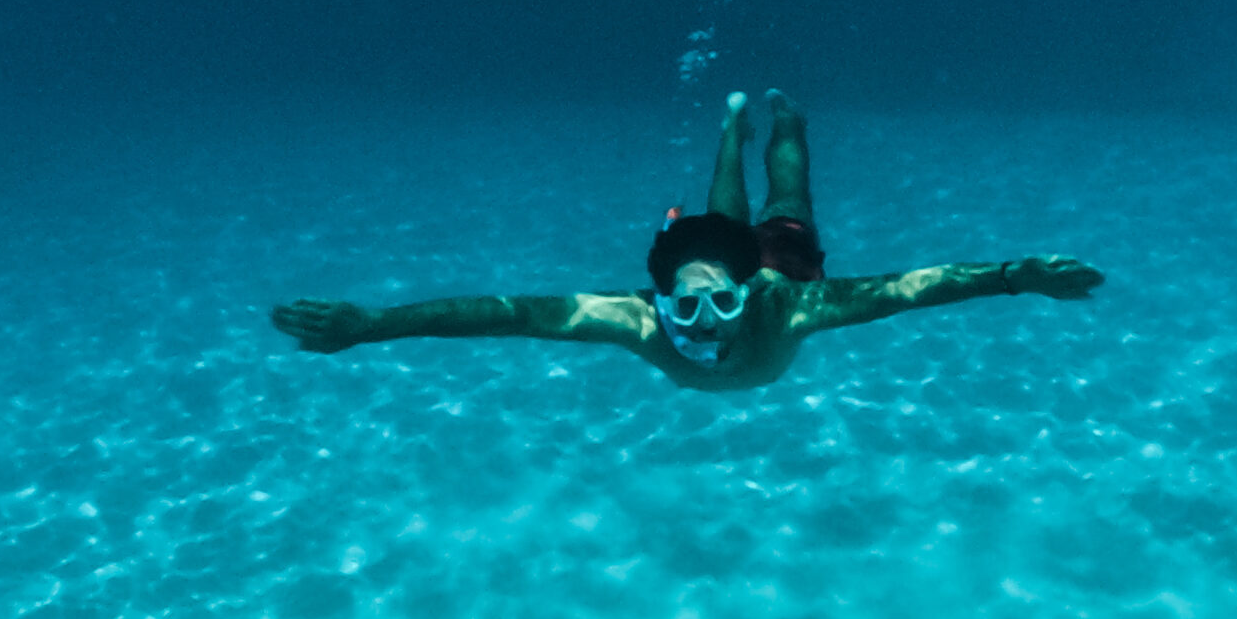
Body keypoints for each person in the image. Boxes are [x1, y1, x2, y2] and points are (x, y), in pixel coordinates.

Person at [271, 91, 1102, 392]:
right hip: (737, 253)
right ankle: (731, 123)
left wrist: (1013, 276)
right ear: (656, 299)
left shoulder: (790, 307)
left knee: (787, 196)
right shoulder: (636, 322)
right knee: (721, 205)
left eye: (719, 300)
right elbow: (504, 314)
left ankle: (783, 118)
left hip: (776, 256)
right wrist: (370, 326)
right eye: (685, 302)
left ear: (747, 297)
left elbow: (906, 290)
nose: (704, 321)